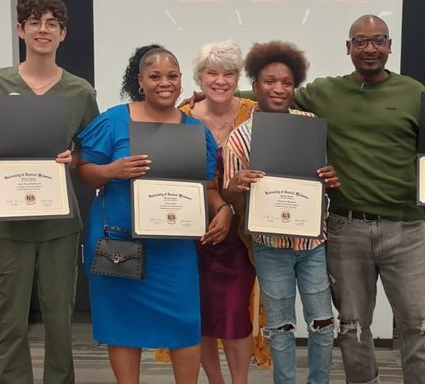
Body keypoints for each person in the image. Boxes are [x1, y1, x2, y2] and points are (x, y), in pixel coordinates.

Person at [293, 15, 425, 383]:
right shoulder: (324, 92)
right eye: (360, 41)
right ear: (348, 48)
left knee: (419, 326)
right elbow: (273, 94)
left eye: (378, 40)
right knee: (352, 326)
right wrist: (217, 96)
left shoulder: (413, 92)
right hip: (346, 227)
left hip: (406, 229)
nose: (370, 48)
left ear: (390, 46)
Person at [0, 0, 100, 384]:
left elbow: (87, 151)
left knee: (60, 321)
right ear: (20, 29)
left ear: (63, 34)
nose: (43, 29)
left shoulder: (81, 91)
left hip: (59, 222)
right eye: (35, 22)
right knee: (11, 321)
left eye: (52, 23)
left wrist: (74, 158)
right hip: (6, 222)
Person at [75, 45, 224, 384]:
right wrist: (112, 170)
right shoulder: (114, 120)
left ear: (182, 81)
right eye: (155, 76)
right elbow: (84, 172)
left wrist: (223, 209)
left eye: (172, 76)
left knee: (185, 323)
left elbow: (208, 185)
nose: (164, 83)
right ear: (140, 81)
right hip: (118, 242)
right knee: (122, 326)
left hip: (173, 247)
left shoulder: (194, 130)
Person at [224, 41, 340, 384]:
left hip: (312, 244)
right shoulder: (239, 139)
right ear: (255, 86)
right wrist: (237, 185)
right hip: (269, 246)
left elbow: (320, 179)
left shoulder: (310, 124)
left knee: (322, 323)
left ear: (296, 86)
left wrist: (330, 179)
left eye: (286, 82)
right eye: (270, 81)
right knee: (279, 325)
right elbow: (234, 203)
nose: (278, 89)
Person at [178, 42, 266, 383]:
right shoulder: (181, 116)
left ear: (238, 78)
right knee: (199, 314)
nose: (220, 80)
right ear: (199, 78)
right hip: (191, 233)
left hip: (240, 235)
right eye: (212, 73)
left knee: (234, 314)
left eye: (228, 73)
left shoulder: (255, 113)